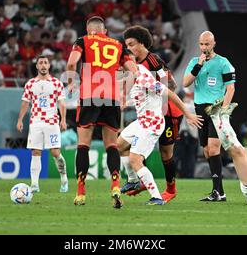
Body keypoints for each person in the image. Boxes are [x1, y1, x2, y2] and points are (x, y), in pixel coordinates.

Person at [66, 16, 138, 208]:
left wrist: (72, 82)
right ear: (104, 31)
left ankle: (81, 193)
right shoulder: (118, 44)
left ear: (90, 30)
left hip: (90, 94)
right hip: (112, 97)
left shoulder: (83, 41)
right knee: (112, 145)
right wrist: (124, 93)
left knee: (83, 144)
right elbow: (134, 70)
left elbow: (72, 63)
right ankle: (115, 186)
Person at [117, 63, 203, 205]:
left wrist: (187, 114)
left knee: (135, 159)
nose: (119, 70)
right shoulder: (137, 70)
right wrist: (127, 102)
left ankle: (156, 197)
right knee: (119, 146)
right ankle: (133, 181)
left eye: (120, 67)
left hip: (152, 123)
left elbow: (170, 93)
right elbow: (144, 96)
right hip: (142, 121)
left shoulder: (144, 78)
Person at [119, 25, 184, 203]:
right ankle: (140, 181)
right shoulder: (135, 66)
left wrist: (157, 98)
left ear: (141, 44)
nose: (129, 48)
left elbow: (171, 85)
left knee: (165, 153)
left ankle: (171, 189)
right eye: (127, 45)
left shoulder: (153, 61)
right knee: (132, 146)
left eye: (131, 44)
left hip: (169, 112)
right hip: (151, 115)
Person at [182, 31, 236, 202]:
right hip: (199, 110)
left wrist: (225, 110)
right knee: (206, 150)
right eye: (201, 44)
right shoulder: (193, 62)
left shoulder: (223, 63)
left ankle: (218, 192)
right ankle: (219, 191)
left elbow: (231, 88)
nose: (204, 47)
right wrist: (198, 65)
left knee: (213, 148)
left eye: (207, 44)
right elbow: (185, 84)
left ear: (214, 44)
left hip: (216, 110)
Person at [17, 55, 69, 193]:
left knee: (55, 152)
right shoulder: (30, 84)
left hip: (52, 122)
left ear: (49, 66)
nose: (43, 65)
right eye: (41, 63)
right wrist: (20, 119)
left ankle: (64, 178)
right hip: (35, 122)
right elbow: (25, 103)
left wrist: (63, 119)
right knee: (35, 151)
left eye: (46, 63)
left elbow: (62, 103)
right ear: (37, 66)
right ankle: (34, 184)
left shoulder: (56, 83)